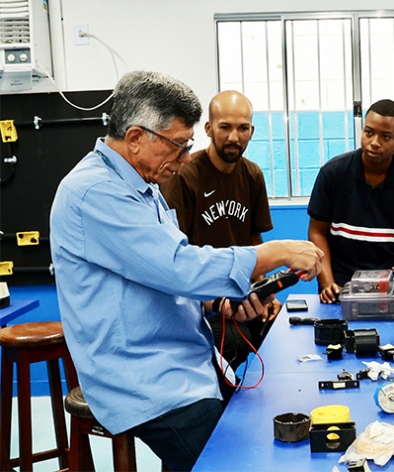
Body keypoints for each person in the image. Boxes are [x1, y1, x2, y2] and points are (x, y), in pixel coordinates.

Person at [50, 71, 324, 471]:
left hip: (183, 359)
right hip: (146, 379)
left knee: (255, 420)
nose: (184, 157)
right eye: (178, 145)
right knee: (238, 461)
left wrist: (217, 300)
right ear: (136, 137)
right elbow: (180, 267)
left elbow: (159, 270)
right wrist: (276, 252)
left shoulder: (142, 185)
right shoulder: (96, 193)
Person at [162, 90, 277, 373]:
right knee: (236, 344)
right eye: (225, 127)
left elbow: (253, 241)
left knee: (281, 331)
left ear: (252, 130)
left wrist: (264, 293)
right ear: (209, 128)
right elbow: (176, 254)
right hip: (203, 299)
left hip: (242, 293)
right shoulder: (184, 176)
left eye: (242, 128)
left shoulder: (252, 175)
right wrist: (211, 301)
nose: (234, 137)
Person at [307, 99, 394, 304]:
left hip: (393, 292)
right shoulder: (332, 173)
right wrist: (327, 282)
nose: (375, 142)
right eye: (369, 132)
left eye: (385, 136)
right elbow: (317, 231)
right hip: (340, 289)